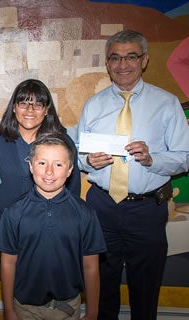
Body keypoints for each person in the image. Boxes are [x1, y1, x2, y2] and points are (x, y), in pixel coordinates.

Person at [76, 29, 189, 320]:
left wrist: (153, 158)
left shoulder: (167, 103)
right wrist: (89, 161)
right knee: (101, 287)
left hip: (147, 210)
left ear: (144, 60)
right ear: (107, 63)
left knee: (146, 289)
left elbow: (184, 157)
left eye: (130, 57)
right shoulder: (94, 104)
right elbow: (77, 155)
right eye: (115, 57)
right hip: (101, 207)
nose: (122, 64)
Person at [0, 133, 106, 320]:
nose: (49, 172)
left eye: (58, 164)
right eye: (42, 163)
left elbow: (91, 266)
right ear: (30, 166)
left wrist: (93, 311)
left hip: (68, 307)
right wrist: (9, 310)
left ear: (70, 170)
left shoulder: (84, 213)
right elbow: (8, 263)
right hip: (24, 308)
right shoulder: (13, 212)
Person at [0, 79, 81, 222]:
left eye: (38, 105)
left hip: (49, 224)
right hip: (4, 224)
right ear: (14, 107)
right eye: (23, 103)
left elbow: (73, 189)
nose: (30, 110)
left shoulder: (63, 143)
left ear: (47, 110)